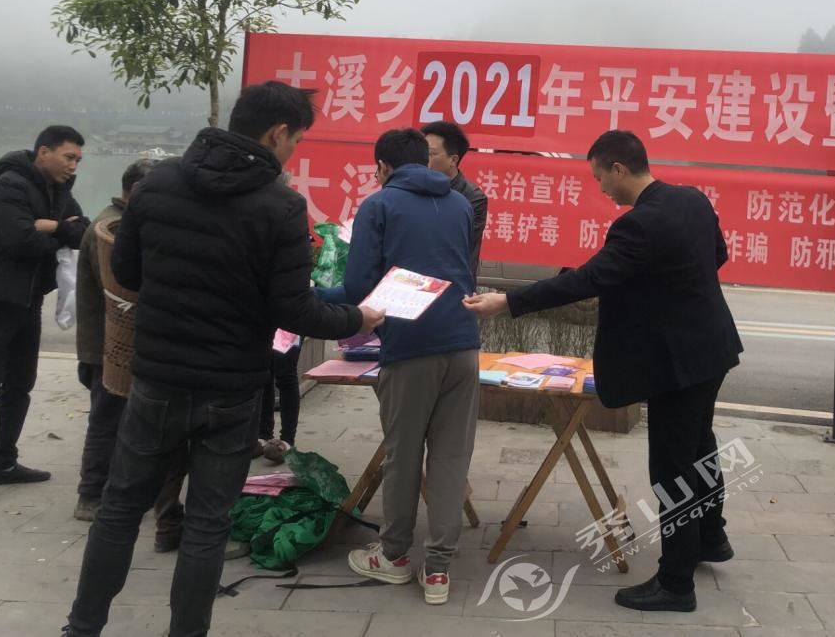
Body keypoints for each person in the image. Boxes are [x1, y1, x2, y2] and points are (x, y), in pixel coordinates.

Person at [62, 82, 384, 637]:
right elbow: (293, 309)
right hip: (231, 391)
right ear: (277, 133)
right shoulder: (281, 207)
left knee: (119, 510)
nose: (294, 152)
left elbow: (129, 273)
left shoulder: (158, 185)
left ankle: (82, 628)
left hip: (157, 378)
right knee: (208, 525)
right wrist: (360, 318)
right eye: (297, 140)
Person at [465, 129, 743, 613]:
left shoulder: (638, 224)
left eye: (600, 178)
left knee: (672, 468)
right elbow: (716, 257)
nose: (601, 189)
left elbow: (590, 279)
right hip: (711, 347)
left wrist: (507, 302)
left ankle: (676, 583)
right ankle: (710, 538)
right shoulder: (692, 200)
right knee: (700, 446)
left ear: (619, 168)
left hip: (676, 362)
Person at [317, 127, 479, 607]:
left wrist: (311, 296)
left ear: (383, 167)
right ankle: (439, 570)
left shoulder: (379, 205)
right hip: (464, 342)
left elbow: (358, 287)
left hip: (410, 346)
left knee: (403, 455)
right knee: (451, 458)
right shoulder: (460, 204)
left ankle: (393, 556)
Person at [0, 125, 87, 508]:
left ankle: (4, 462)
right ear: (43, 152)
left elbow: (84, 232)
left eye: (78, 159)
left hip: (29, 300)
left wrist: (54, 226)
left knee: (19, 385)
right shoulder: (9, 186)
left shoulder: (59, 190)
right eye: (69, 157)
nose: (73, 165)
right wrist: (61, 231)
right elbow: (20, 241)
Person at [72, 158, 186, 553]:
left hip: (117, 344)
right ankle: (91, 493)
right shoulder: (111, 227)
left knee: (124, 422)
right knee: (106, 420)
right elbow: (125, 288)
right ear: (137, 191)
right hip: (107, 345)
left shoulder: (124, 222)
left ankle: (119, 490)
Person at [421, 120, 488, 278]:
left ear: (453, 160)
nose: (423, 160)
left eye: (431, 154)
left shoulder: (473, 197)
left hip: (452, 281)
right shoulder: (414, 187)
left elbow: (455, 244)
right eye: (421, 153)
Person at [255, 340, 301, 463]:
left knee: (285, 369)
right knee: (263, 370)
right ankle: (263, 434)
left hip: (288, 328)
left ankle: (287, 439)